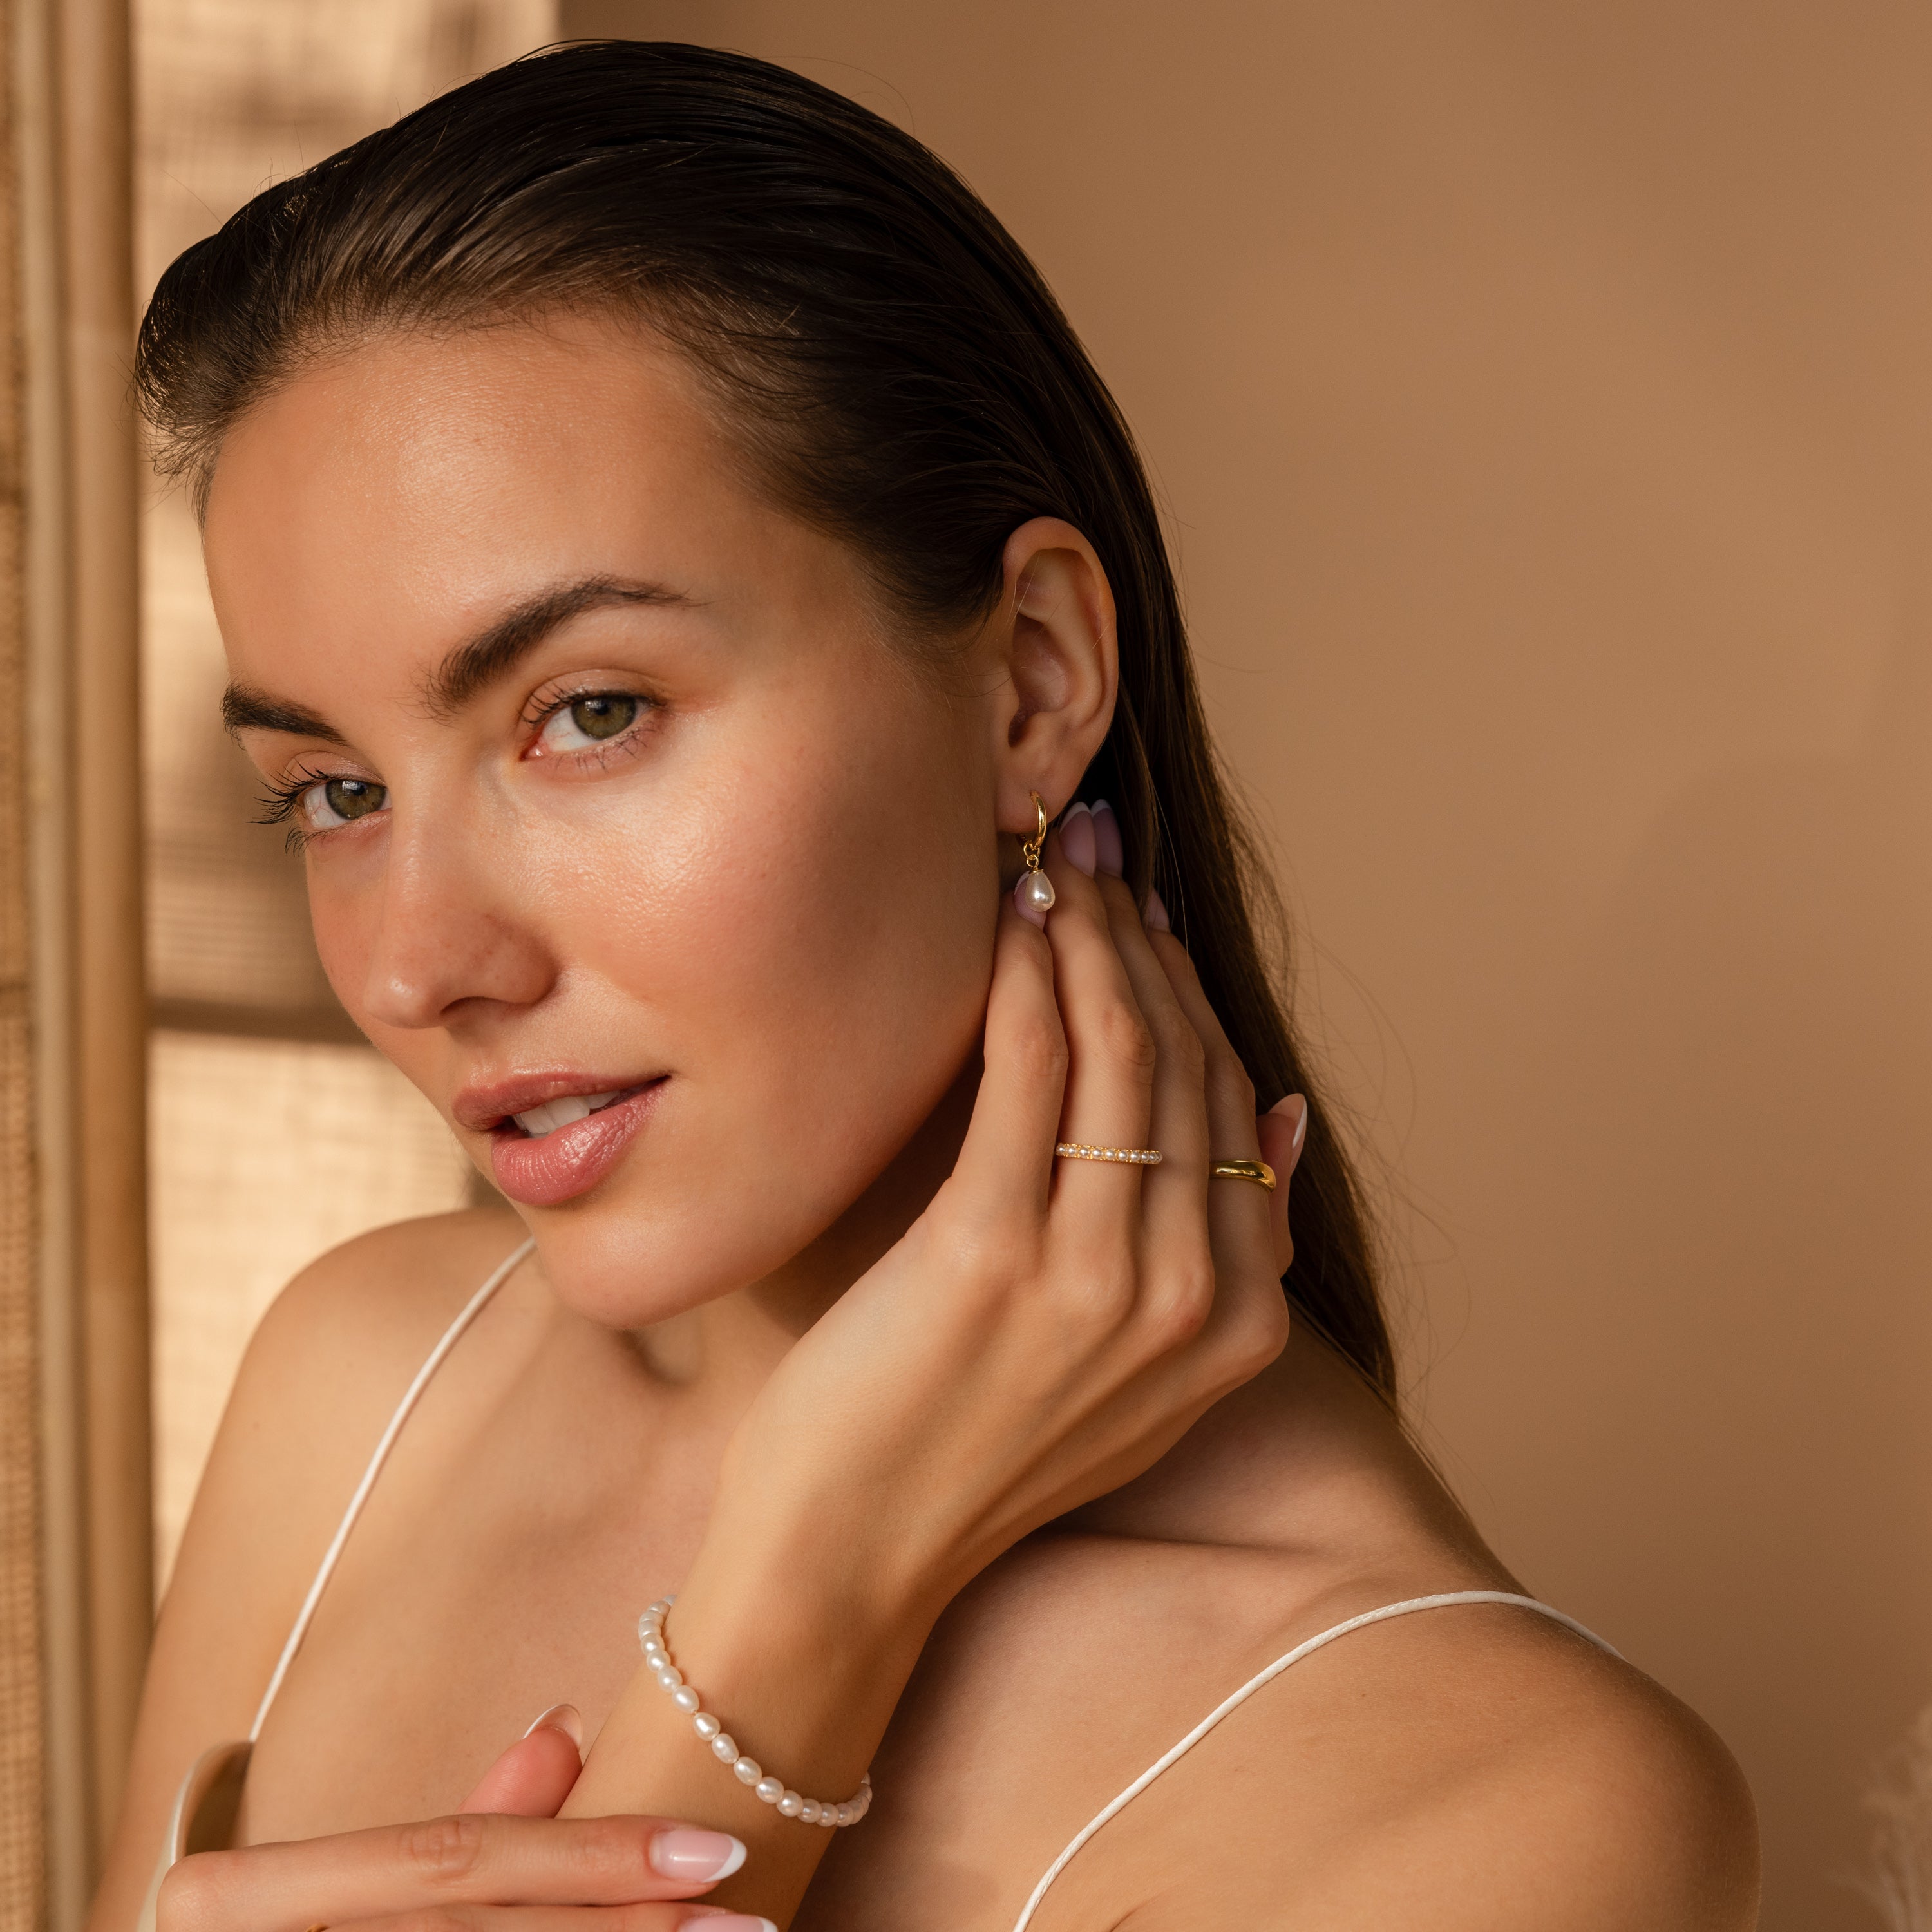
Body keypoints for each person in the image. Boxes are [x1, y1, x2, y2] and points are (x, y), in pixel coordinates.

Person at [96, 41, 1757, 1932]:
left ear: (1034, 679)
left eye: (592, 713)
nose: (414, 963)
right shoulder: (358, 1390)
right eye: (334, 793)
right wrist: (798, 1609)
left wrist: (813, 1582)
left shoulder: (1495, 1810)